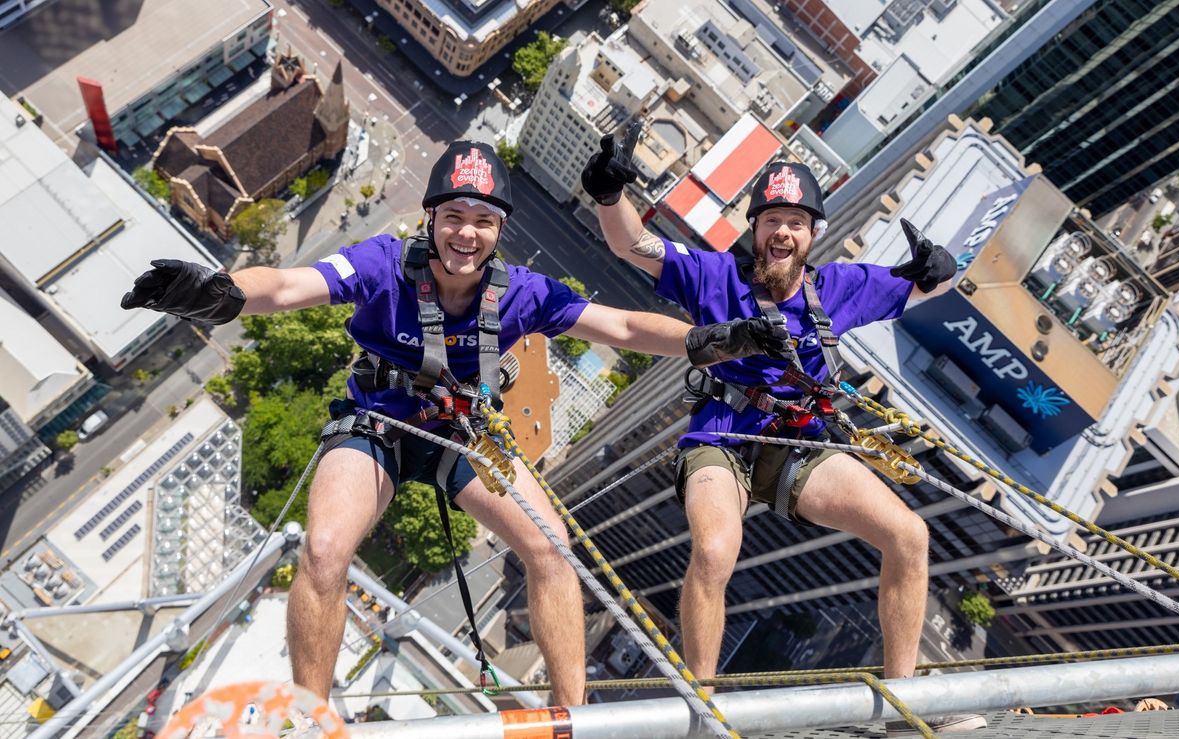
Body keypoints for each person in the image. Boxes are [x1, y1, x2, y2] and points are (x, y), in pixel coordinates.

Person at [121, 141, 792, 708]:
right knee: (324, 550)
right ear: (430, 217)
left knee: (551, 547)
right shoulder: (384, 263)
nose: (466, 233)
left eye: (483, 219)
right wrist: (225, 292)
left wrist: (715, 340)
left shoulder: (522, 292)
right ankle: (311, 717)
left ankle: (572, 718)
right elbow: (293, 286)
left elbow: (617, 325)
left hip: (461, 430)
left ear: (499, 230)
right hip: (378, 420)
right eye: (454, 217)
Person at [582, 136, 986, 734]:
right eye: (772, 220)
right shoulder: (714, 274)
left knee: (909, 535)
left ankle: (903, 700)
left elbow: (921, 288)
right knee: (716, 549)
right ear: (754, 229)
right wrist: (610, 194)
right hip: (720, 437)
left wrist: (940, 272)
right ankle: (703, 709)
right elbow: (630, 244)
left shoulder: (840, 288)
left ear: (812, 234)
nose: (783, 233)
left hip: (799, 445)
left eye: (796, 223)